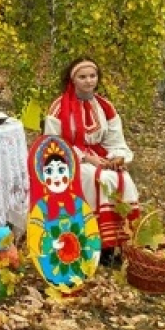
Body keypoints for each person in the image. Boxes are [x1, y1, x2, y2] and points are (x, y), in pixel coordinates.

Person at [44, 57, 140, 260]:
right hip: (67, 161)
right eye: (83, 77)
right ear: (72, 79)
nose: (89, 81)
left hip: (101, 157)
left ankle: (114, 243)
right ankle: (90, 241)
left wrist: (116, 159)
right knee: (98, 179)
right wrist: (86, 158)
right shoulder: (59, 107)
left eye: (92, 76)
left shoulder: (105, 106)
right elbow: (52, 144)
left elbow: (115, 140)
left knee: (123, 179)